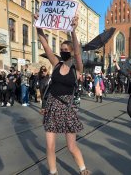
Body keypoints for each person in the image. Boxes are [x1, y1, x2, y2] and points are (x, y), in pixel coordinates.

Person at [36, 14, 91, 175]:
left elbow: (79, 53)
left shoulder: (77, 68)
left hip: (67, 108)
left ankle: (82, 169)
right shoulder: (56, 63)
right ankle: (53, 172)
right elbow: (45, 44)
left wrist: (73, 31)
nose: (63, 51)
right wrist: (38, 25)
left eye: (66, 50)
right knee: (50, 146)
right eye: (61, 49)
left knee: (71, 147)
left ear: (72, 52)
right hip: (53, 106)